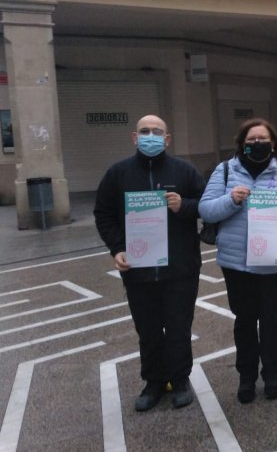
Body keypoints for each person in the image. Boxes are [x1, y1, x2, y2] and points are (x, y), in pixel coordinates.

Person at [94, 115, 204, 411]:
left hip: (180, 268)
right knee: (148, 330)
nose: (150, 136)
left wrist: (184, 205)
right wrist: (117, 248)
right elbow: (103, 213)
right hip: (138, 270)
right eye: (145, 131)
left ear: (167, 139)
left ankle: (180, 380)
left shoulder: (185, 171)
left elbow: (207, 206)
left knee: (179, 328)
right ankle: (153, 382)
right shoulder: (118, 174)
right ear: (135, 137)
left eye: (157, 132)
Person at [198, 118, 277, 404]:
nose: (257, 143)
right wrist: (231, 199)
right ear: (242, 144)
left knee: (271, 319)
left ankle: (272, 374)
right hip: (236, 264)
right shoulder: (225, 171)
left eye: (263, 139)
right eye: (251, 140)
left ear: (273, 144)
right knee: (244, 320)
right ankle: (246, 377)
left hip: (273, 263)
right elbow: (206, 210)